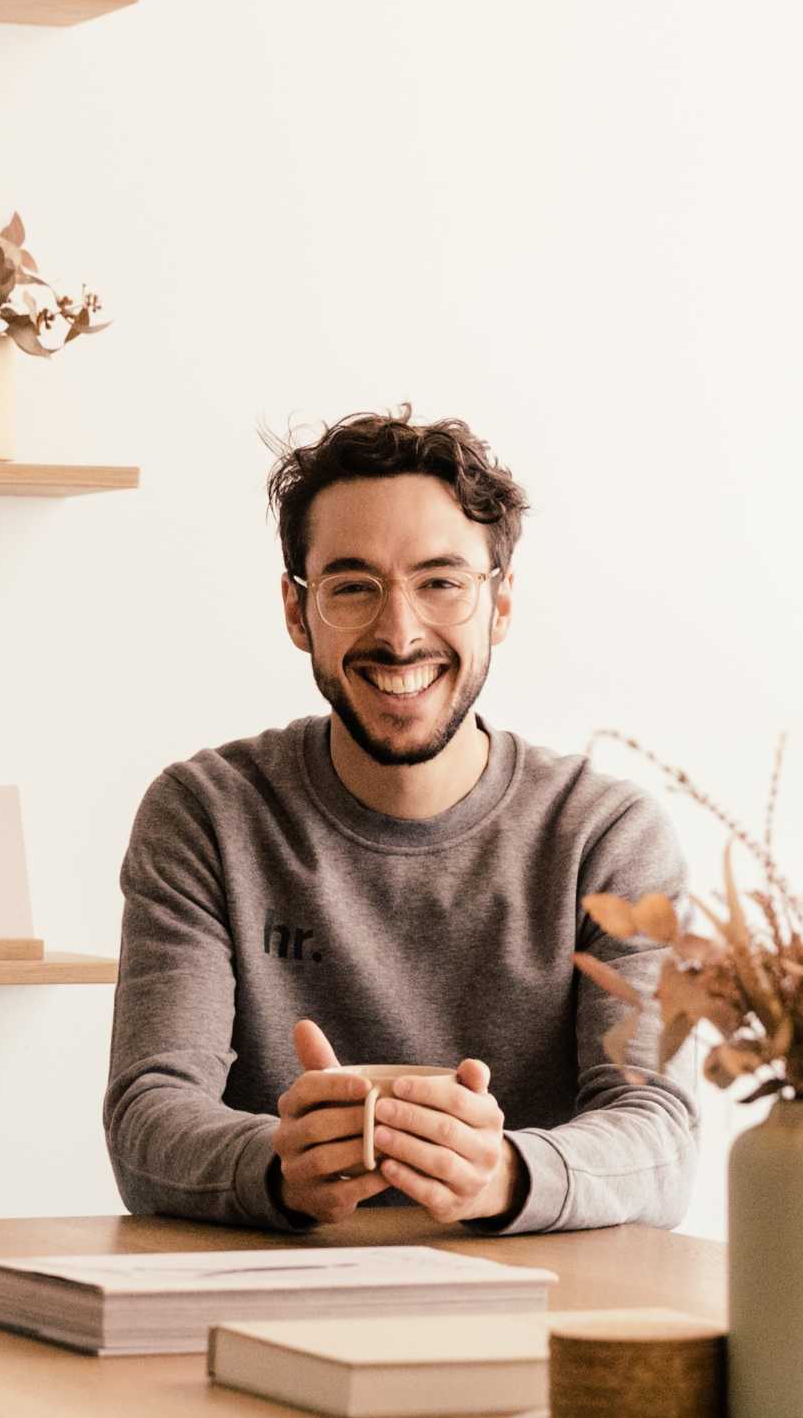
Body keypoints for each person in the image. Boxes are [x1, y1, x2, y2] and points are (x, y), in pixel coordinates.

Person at [102, 407, 697, 1233]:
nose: (399, 631)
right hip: (261, 1302)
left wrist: (507, 1174)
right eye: (352, 587)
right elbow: (147, 1114)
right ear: (295, 610)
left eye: (441, 582)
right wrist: (276, 1164)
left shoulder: (607, 836)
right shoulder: (207, 815)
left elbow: (659, 1134)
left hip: (542, 1308)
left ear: (502, 605)